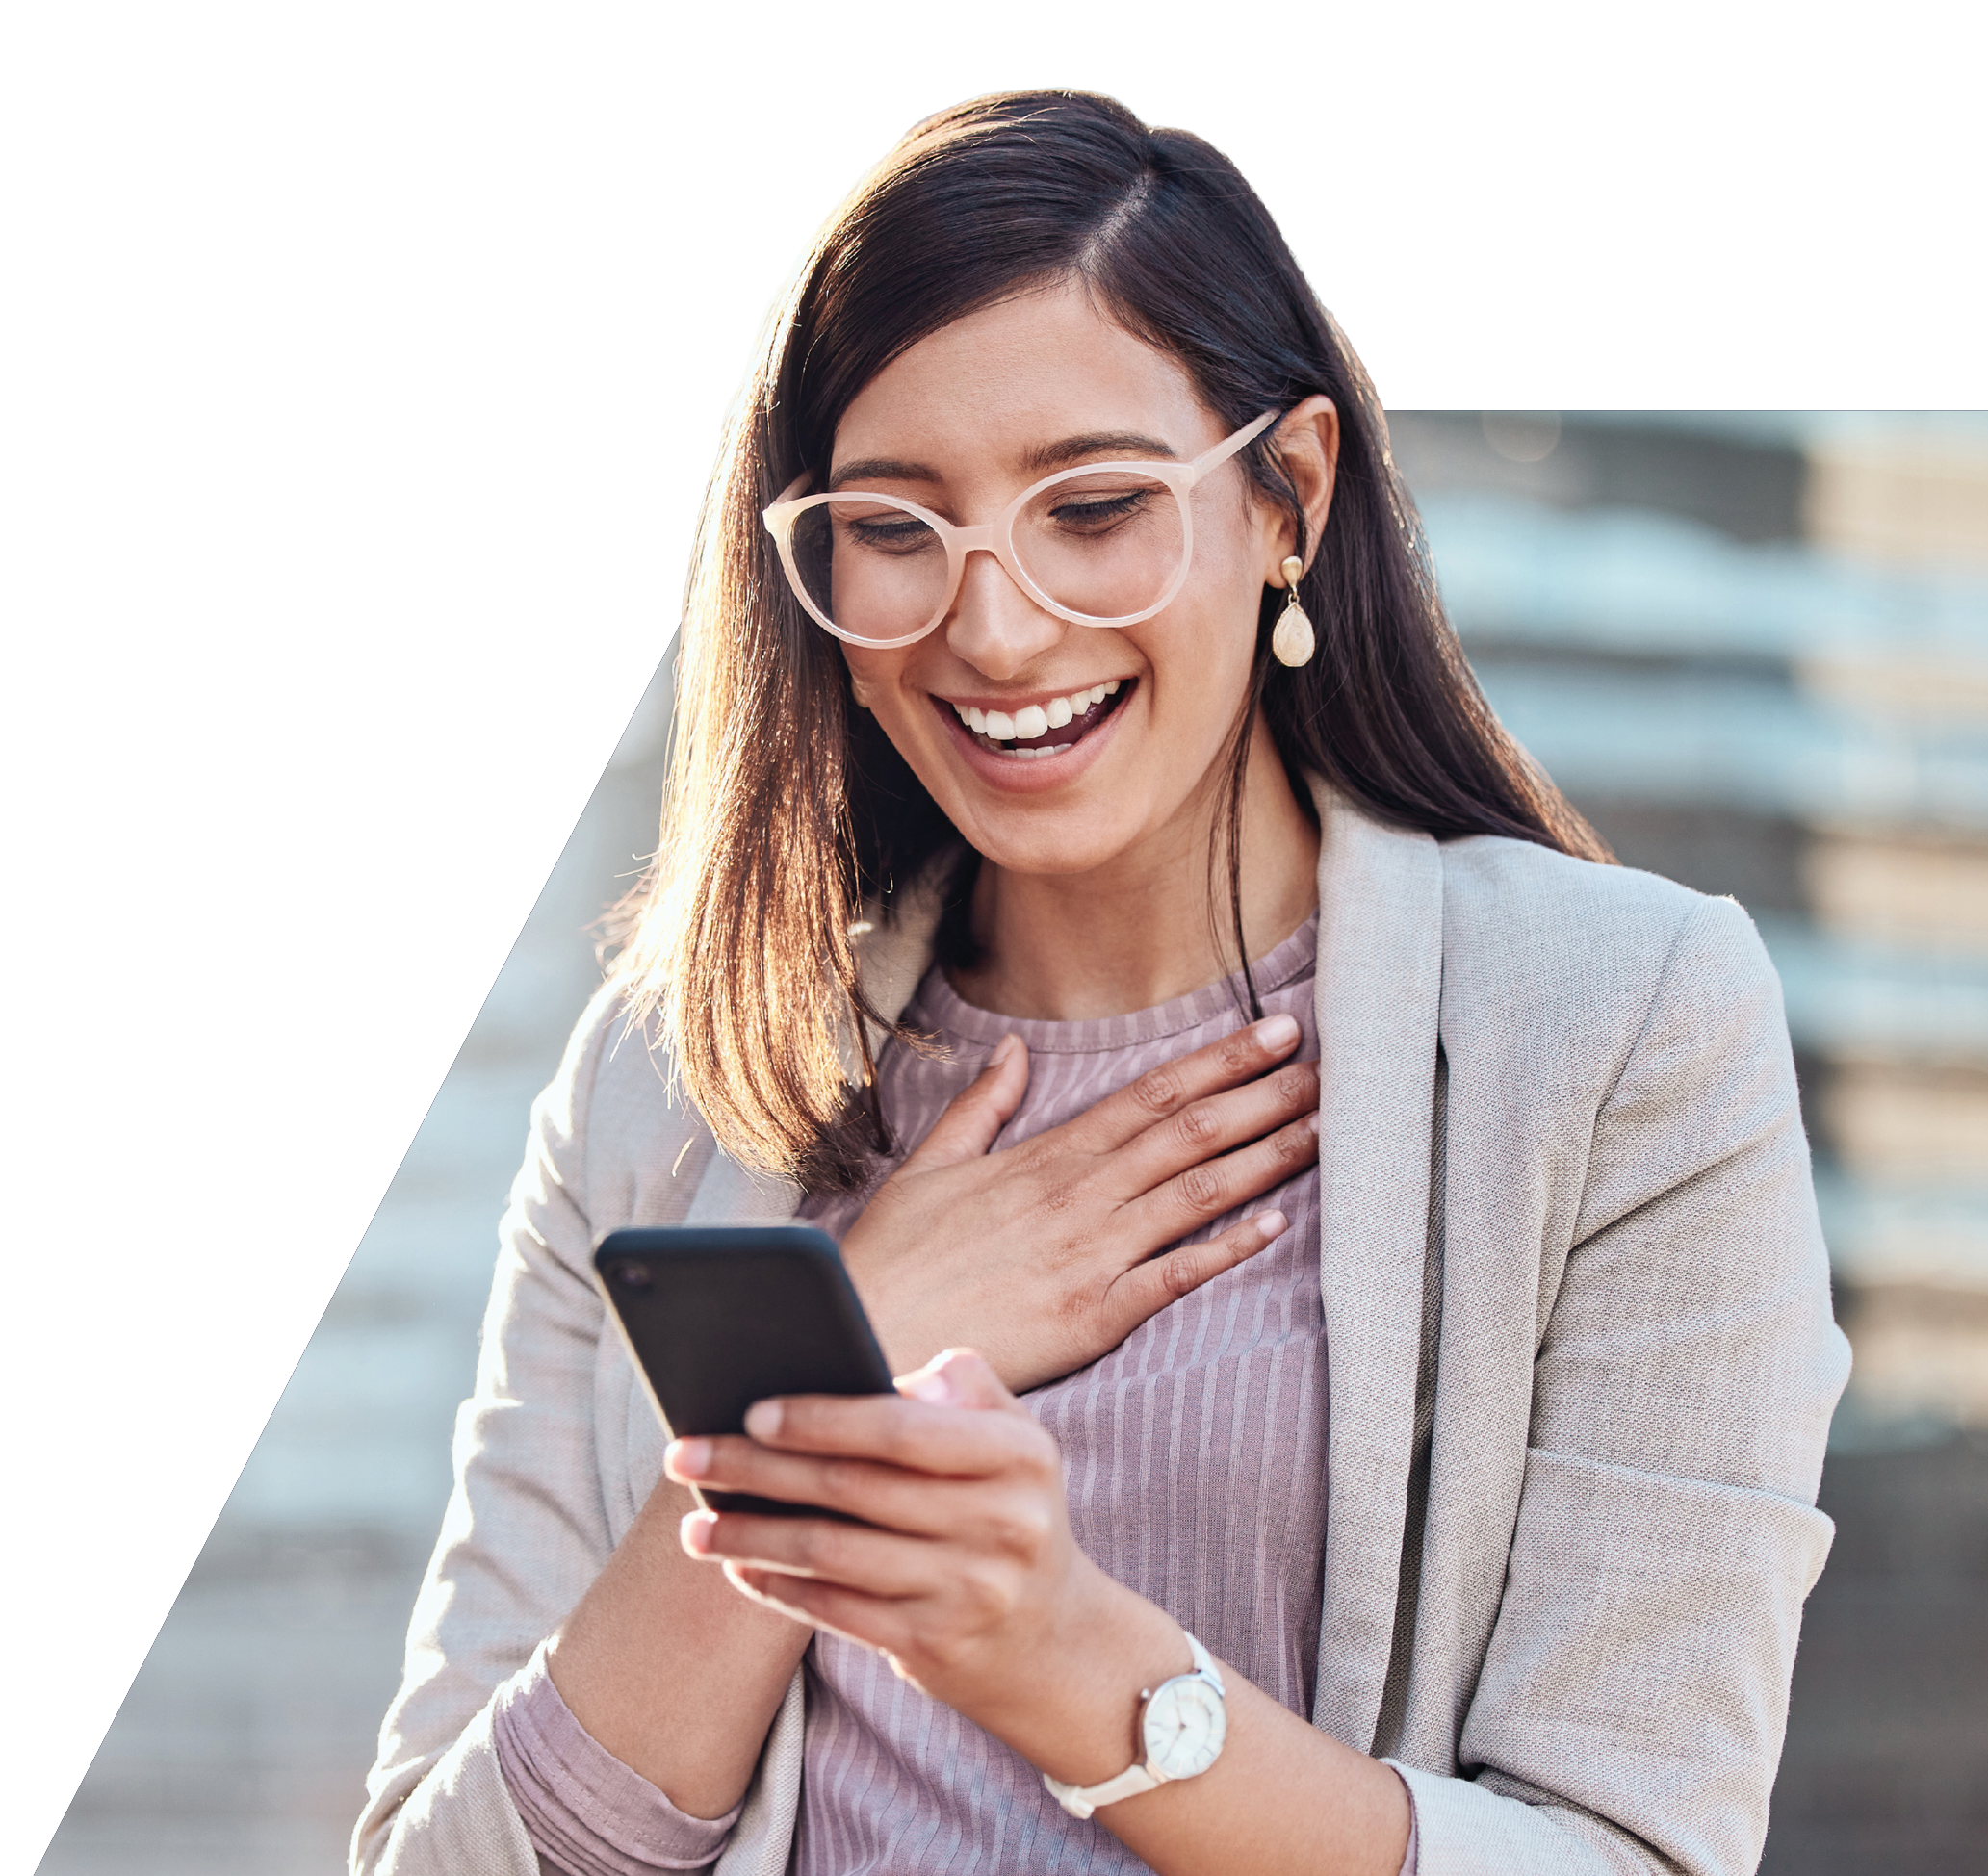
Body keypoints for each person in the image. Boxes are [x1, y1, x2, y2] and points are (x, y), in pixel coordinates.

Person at [354, 89, 1849, 1876]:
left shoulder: (1617, 1029)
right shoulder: (664, 1090)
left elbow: (1634, 1854)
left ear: (1287, 496)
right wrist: (838, 1363)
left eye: (1092, 507)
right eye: (894, 530)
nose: (993, 629)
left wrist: (1057, 1656)